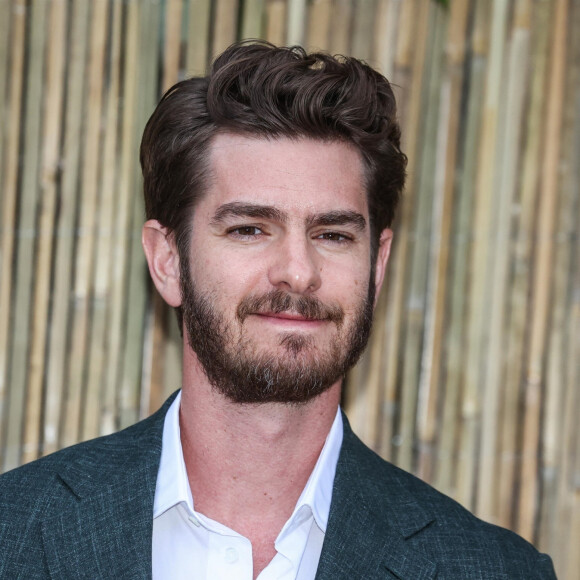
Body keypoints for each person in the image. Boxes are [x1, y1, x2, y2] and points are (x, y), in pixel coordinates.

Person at [0, 41, 556, 580]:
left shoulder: (496, 569)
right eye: (249, 228)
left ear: (378, 265)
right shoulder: (15, 533)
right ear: (168, 260)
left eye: (333, 234)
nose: (298, 270)